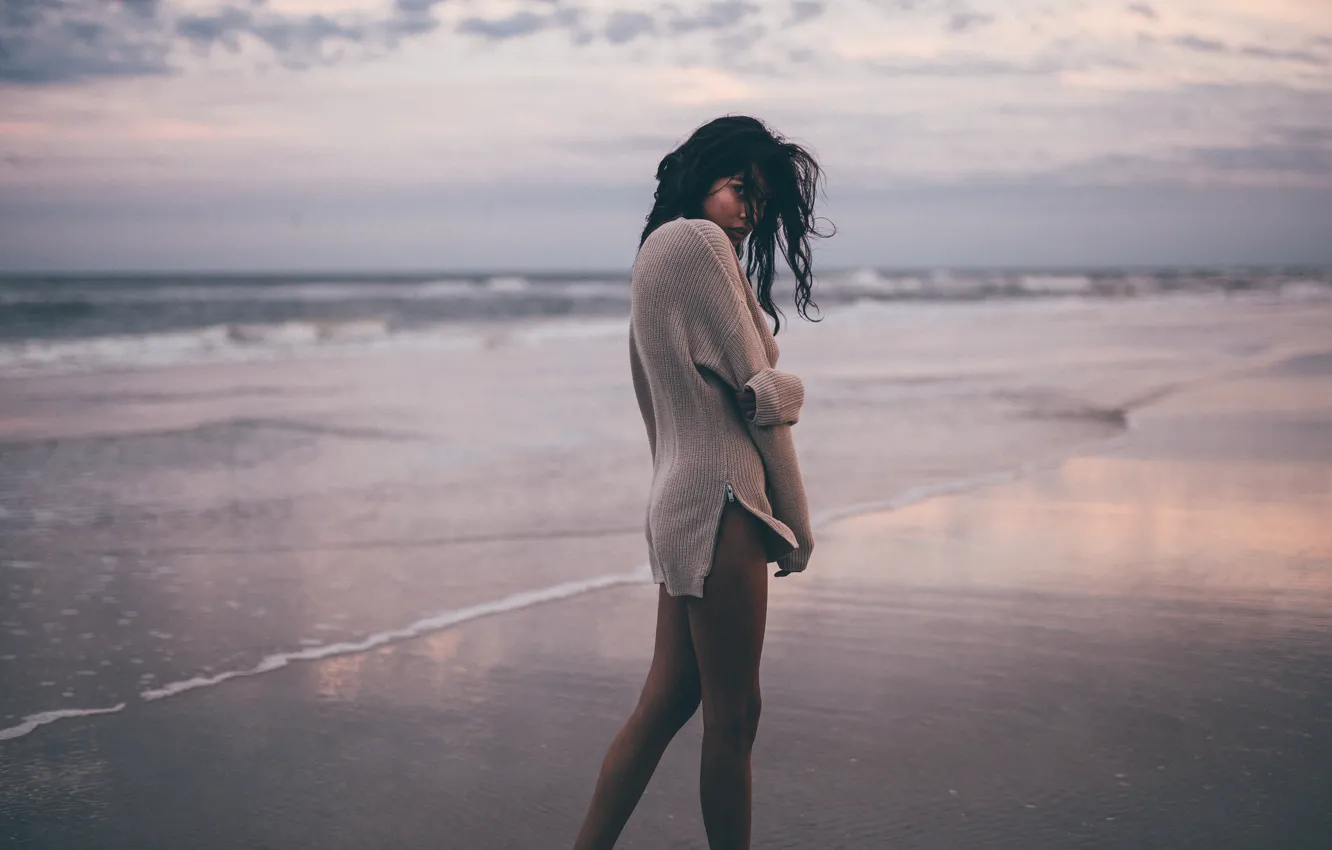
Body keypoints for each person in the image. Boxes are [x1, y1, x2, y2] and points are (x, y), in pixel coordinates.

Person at [572, 115, 830, 850]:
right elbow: (760, 396)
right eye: (738, 188)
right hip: (724, 499)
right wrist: (797, 522)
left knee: (668, 701)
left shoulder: (656, 252)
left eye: (760, 200)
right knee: (735, 715)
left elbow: (669, 403)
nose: (748, 211)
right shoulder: (697, 242)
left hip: (683, 496)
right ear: (701, 179)